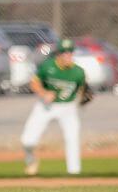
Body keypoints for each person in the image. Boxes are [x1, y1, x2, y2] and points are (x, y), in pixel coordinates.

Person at [21, 38, 87, 175]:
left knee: (72, 138)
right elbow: (34, 82)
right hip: (46, 106)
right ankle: (31, 160)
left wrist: (84, 99)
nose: (68, 55)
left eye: (70, 52)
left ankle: (74, 173)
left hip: (68, 107)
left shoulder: (78, 72)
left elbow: (82, 92)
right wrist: (43, 93)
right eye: (64, 52)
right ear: (58, 54)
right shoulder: (48, 66)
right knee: (27, 140)